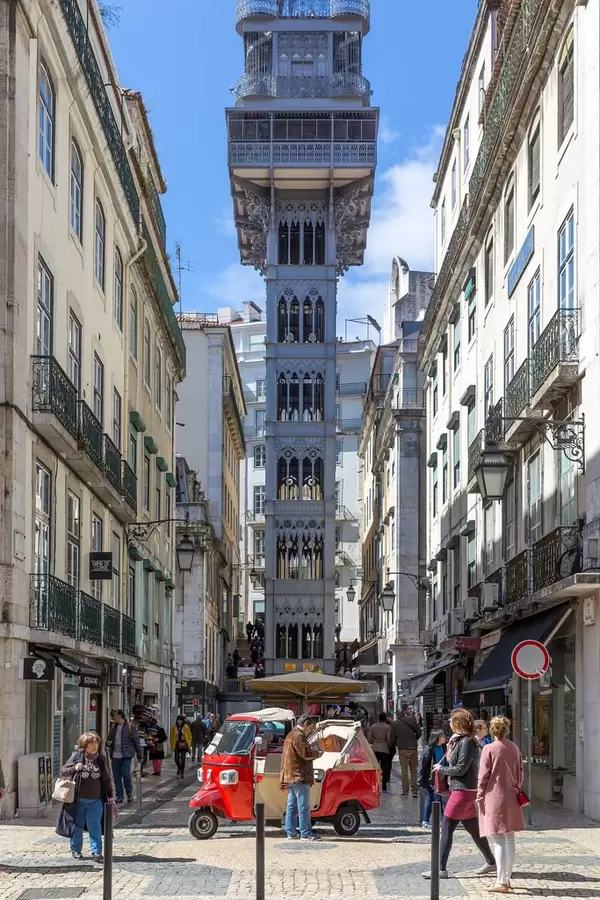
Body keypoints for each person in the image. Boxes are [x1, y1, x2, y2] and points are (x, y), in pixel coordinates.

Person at [424, 708, 496, 880]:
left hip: (463, 790)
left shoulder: (467, 742)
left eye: (451, 720)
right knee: (473, 829)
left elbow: (461, 768)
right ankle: (491, 861)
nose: (449, 722)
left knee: (446, 825)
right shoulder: (459, 741)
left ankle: (440, 869)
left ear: (458, 723)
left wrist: (442, 769)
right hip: (463, 789)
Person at [476, 715, 525, 893]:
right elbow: (520, 772)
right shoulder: (514, 748)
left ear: (492, 729)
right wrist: (516, 788)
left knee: (498, 839)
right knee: (510, 838)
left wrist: (480, 795)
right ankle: (506, 878)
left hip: (494, 797)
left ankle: (501, 882)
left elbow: (483, 776)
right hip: (512, 797)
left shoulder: (489, 749)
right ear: (507, 729)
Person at [56, 732, 113, 862]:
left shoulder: (102, 759)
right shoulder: (77, 757)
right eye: (91, 743)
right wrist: (75, 768)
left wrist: (110, 795)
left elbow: (107, 778)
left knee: (95, 825)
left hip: (96, 800)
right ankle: (76, 850)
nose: (94, 745)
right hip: (78, 800)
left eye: (96, 742)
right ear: (84, 745)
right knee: (78, 825)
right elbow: (63, 771)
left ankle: (96, 852)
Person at [280, 714, 323, 842]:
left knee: (291, 806)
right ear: (305, 724)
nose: (310, 730)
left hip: (291, 775)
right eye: (310, 728)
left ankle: (291, 832)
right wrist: (317, 753)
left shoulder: (290, 734)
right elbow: (305, 754)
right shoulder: (298, 736)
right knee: (303, 806)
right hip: (300, 776)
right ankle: (305, 833)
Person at [106, 710, 142, 804]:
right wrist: (108, 742)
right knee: (117, 777)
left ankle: (129, 793)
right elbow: (109, 740)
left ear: (121, 717)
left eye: (116, 716)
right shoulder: (114, 727)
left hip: (126, 756)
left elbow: (136, 742)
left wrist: (139, 755)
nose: (114, 718)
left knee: (126, 775)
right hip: (115, 756)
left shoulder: (130, 727)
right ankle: (119, 796)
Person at [417, 729, 447, 828]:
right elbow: (422, 764)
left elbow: (445, 761)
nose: (444, 737)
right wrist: (420, 779)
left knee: (431, 799)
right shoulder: (429, 749)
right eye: (442, 736)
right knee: (437, 798)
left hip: (441, 777)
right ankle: (443, 820)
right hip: (431, 778)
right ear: (437, 738)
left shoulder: (443, 747)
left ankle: (425, 821)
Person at [391, 704, 421, 797]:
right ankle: (415, 790)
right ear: (404, 713)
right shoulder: (412, 720)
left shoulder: (395, 724)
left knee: (404, 770)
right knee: (413, 770)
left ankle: (405, 791)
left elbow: (392, 737)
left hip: (402, 749)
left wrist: (396, 743)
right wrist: (413, 739)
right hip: (413, 749)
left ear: (397, 715)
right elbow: (419, 733)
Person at [367, 712, 393, 791]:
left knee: (375, 767)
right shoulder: (388, 727)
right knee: (384, 767)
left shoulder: (373, 726)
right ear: (385, 719)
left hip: (375, 748)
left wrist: (373, 741)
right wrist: (389, 745)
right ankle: (384, 784)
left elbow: (369, 738)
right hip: (384, 749)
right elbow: (389, 739)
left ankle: (375, 783)